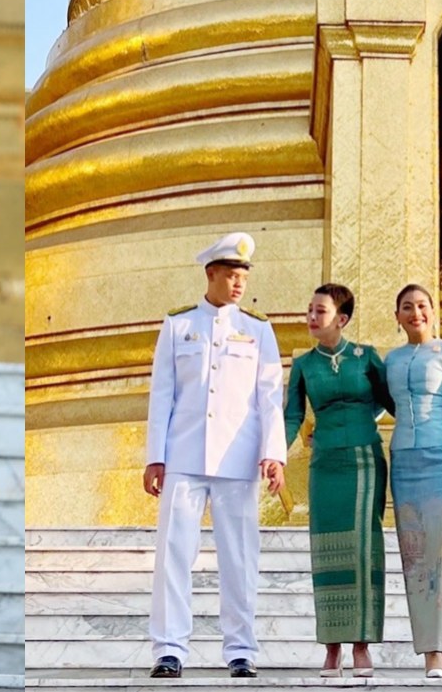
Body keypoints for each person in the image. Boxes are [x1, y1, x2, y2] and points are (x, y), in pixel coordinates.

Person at [143, 232, 286, 680]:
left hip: (236, 458)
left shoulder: (258, 329)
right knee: (173, 555)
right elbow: (162, 395)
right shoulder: (178, 325)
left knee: (240, 557)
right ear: (211, 274)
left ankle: (241, 649)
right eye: (230, 274)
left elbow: (268, 398)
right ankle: (169, 649)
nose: (238, 283)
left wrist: (273, 453)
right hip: (184, 454)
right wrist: (154, 456)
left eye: (243, 275)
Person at [284, 284, 396, 678]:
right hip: (325, 464)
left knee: (364, 547)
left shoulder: (366, 357)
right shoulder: (303, 364)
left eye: (320, 311)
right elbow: (292, 415)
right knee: (327, 549)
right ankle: (332, 647)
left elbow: (389, 399)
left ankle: (362, 644)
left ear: (341, 319)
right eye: (310, 310)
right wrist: (276, 454)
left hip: (365, 459)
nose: (312, 317)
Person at [384, 284, 442, 679]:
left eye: (422, 306)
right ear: (398, 316)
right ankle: (434, 646)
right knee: (415, 557)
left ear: (434, 311)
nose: (415, 313)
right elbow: (380, 403)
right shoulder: (391, 359)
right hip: (403, 458)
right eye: (407, 307)